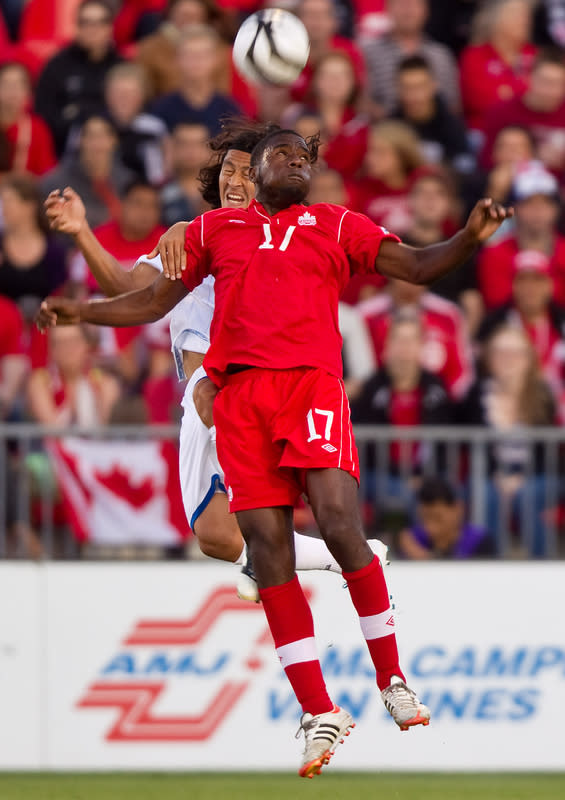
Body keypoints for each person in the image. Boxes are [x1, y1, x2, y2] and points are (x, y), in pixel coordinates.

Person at [39, 126, 511, 777]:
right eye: (271, 157)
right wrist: (84, 313)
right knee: (256, 547)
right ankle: (319, 710)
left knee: (339, 522)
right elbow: (147, 299)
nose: (286, 162)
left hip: (306, 388)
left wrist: (468, 238)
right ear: (251, 172)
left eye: (299, 155)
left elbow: (416, 265)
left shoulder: (334, 223)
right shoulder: (206, 234)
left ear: (309, 171)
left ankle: (392, 679)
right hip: (238, 399)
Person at [43, 119, 387, 601]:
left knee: (229, 430)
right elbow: (127, 290)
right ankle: (333, 553)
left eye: (248, 172)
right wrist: (81, 231)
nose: (234, 180)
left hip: (248, 384)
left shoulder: (281, 237)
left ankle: (319, 551)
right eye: (228, 169)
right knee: (215, 538)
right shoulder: (198, 237)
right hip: (200, 394)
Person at [458, 325, 556, 557]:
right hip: (489, 473)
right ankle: (492, 562)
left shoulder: (542, 394)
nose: (508, 360)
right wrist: (499, 476)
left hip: (537, 474)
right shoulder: (477, 394)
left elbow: (548, 449)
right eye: (501, 353)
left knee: (528, 496)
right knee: (488, 494)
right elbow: (470, 443)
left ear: (528, 359)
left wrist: (520, 478)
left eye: (515, 353)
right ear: (489, 359)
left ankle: (542, 565)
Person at [34, 0, 122, 155]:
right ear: (77, 27)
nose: (92, 30)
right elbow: (44, 113)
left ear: (110, 27)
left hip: (115, 149)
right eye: (86, 23)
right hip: (66, 151)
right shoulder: (57, 66)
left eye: (99, 23)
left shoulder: (121, 67)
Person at [477, 160, 565, 309]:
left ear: (556, 209)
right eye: (529, 202)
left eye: (546, 203)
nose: (538, 210)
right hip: (508, 326)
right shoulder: (494, 254)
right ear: (514, 208)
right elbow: (497, 301)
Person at [477, 250, 565, 394]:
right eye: (523, 279)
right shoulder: (493, 326)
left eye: (537, 279)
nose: (530, 287)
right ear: (513, 285)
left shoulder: (561, 324)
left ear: (549, 285)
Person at [361, 0, 461, 116]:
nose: (408, 10)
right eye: (402, 3)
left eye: (414, 4)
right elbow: (362, 102)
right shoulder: (368, 53)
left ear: (426, 10)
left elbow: (453, 105)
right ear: (388, 9)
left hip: (433, 129)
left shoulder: (441, 55)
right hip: (385, 129)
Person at [42, 114, 136, 231]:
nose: (97, 144)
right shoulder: (55, 184)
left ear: (114, 140)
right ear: (80, 141)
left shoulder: (128, 182)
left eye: (103, 136)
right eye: (91, 137)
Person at [481, 48, 565, 176]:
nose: (549, 91)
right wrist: (532, 158)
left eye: (557, 83)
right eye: (544, 82)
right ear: (529, 78)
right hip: (511, 185)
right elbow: (486, 161)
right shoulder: (502, 111)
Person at [459, 0, 536, 135]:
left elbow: (544, 98)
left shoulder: (535, 55)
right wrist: (523, 90)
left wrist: (507, 92)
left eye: (526, 15)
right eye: (517, 14)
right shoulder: (474, 56)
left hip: (529, 135)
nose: (525, 20)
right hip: (484, 132)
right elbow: (480, 101)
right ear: (496, 18)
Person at [150, 25, 240, 138]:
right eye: (189, 55)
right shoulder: (161, 110)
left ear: (216, 59)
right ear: (177, 59)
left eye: (203, 55)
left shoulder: (230, 111)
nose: (196, 62)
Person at [398, 477, 496, 559]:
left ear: (458, 509)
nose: (430, 528)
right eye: (425, 519)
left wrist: (426, 558)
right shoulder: (413, 539)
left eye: (437, 518)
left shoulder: (479, 542)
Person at [0, 61, 56, 176]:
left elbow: (46, 176)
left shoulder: (37, 129)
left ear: (28, 92)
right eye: (6, 85)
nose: (12, 91)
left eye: (18, 85)